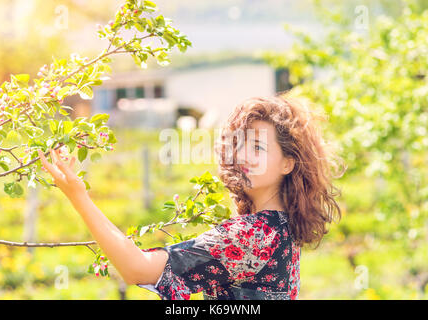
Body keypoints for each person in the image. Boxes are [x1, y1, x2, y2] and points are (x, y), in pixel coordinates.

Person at [38, 95, 346, 300]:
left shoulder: (254, 234)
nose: (244, 156)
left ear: (287, 164)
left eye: (258, 147)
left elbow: (136, 268)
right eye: (241, 145)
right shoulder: (282, 228)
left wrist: (77, 195)